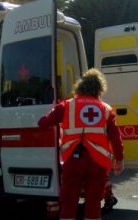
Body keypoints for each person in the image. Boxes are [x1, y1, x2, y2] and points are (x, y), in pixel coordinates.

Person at [38, 68, 124, 220]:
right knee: (93, 204)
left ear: (80, 87)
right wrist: (119, 159)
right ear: (100, 89)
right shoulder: (106, 110)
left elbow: (43, 122)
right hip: (97, 162)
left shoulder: (66, 106)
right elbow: (116, 138)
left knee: (69, 202)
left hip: (73, 159)